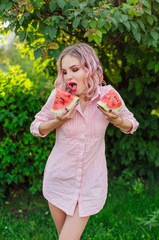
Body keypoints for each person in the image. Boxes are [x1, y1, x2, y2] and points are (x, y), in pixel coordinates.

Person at [30, 43, 139, 240]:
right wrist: (57, 121)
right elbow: (36, 127)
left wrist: (117, 120)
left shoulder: (107, 95)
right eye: (64, 72)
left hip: (90, 183)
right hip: (59, 180)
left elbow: (132, 124)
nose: (68, 76)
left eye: (75, 69)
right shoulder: (59, 96)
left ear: (90, 69)